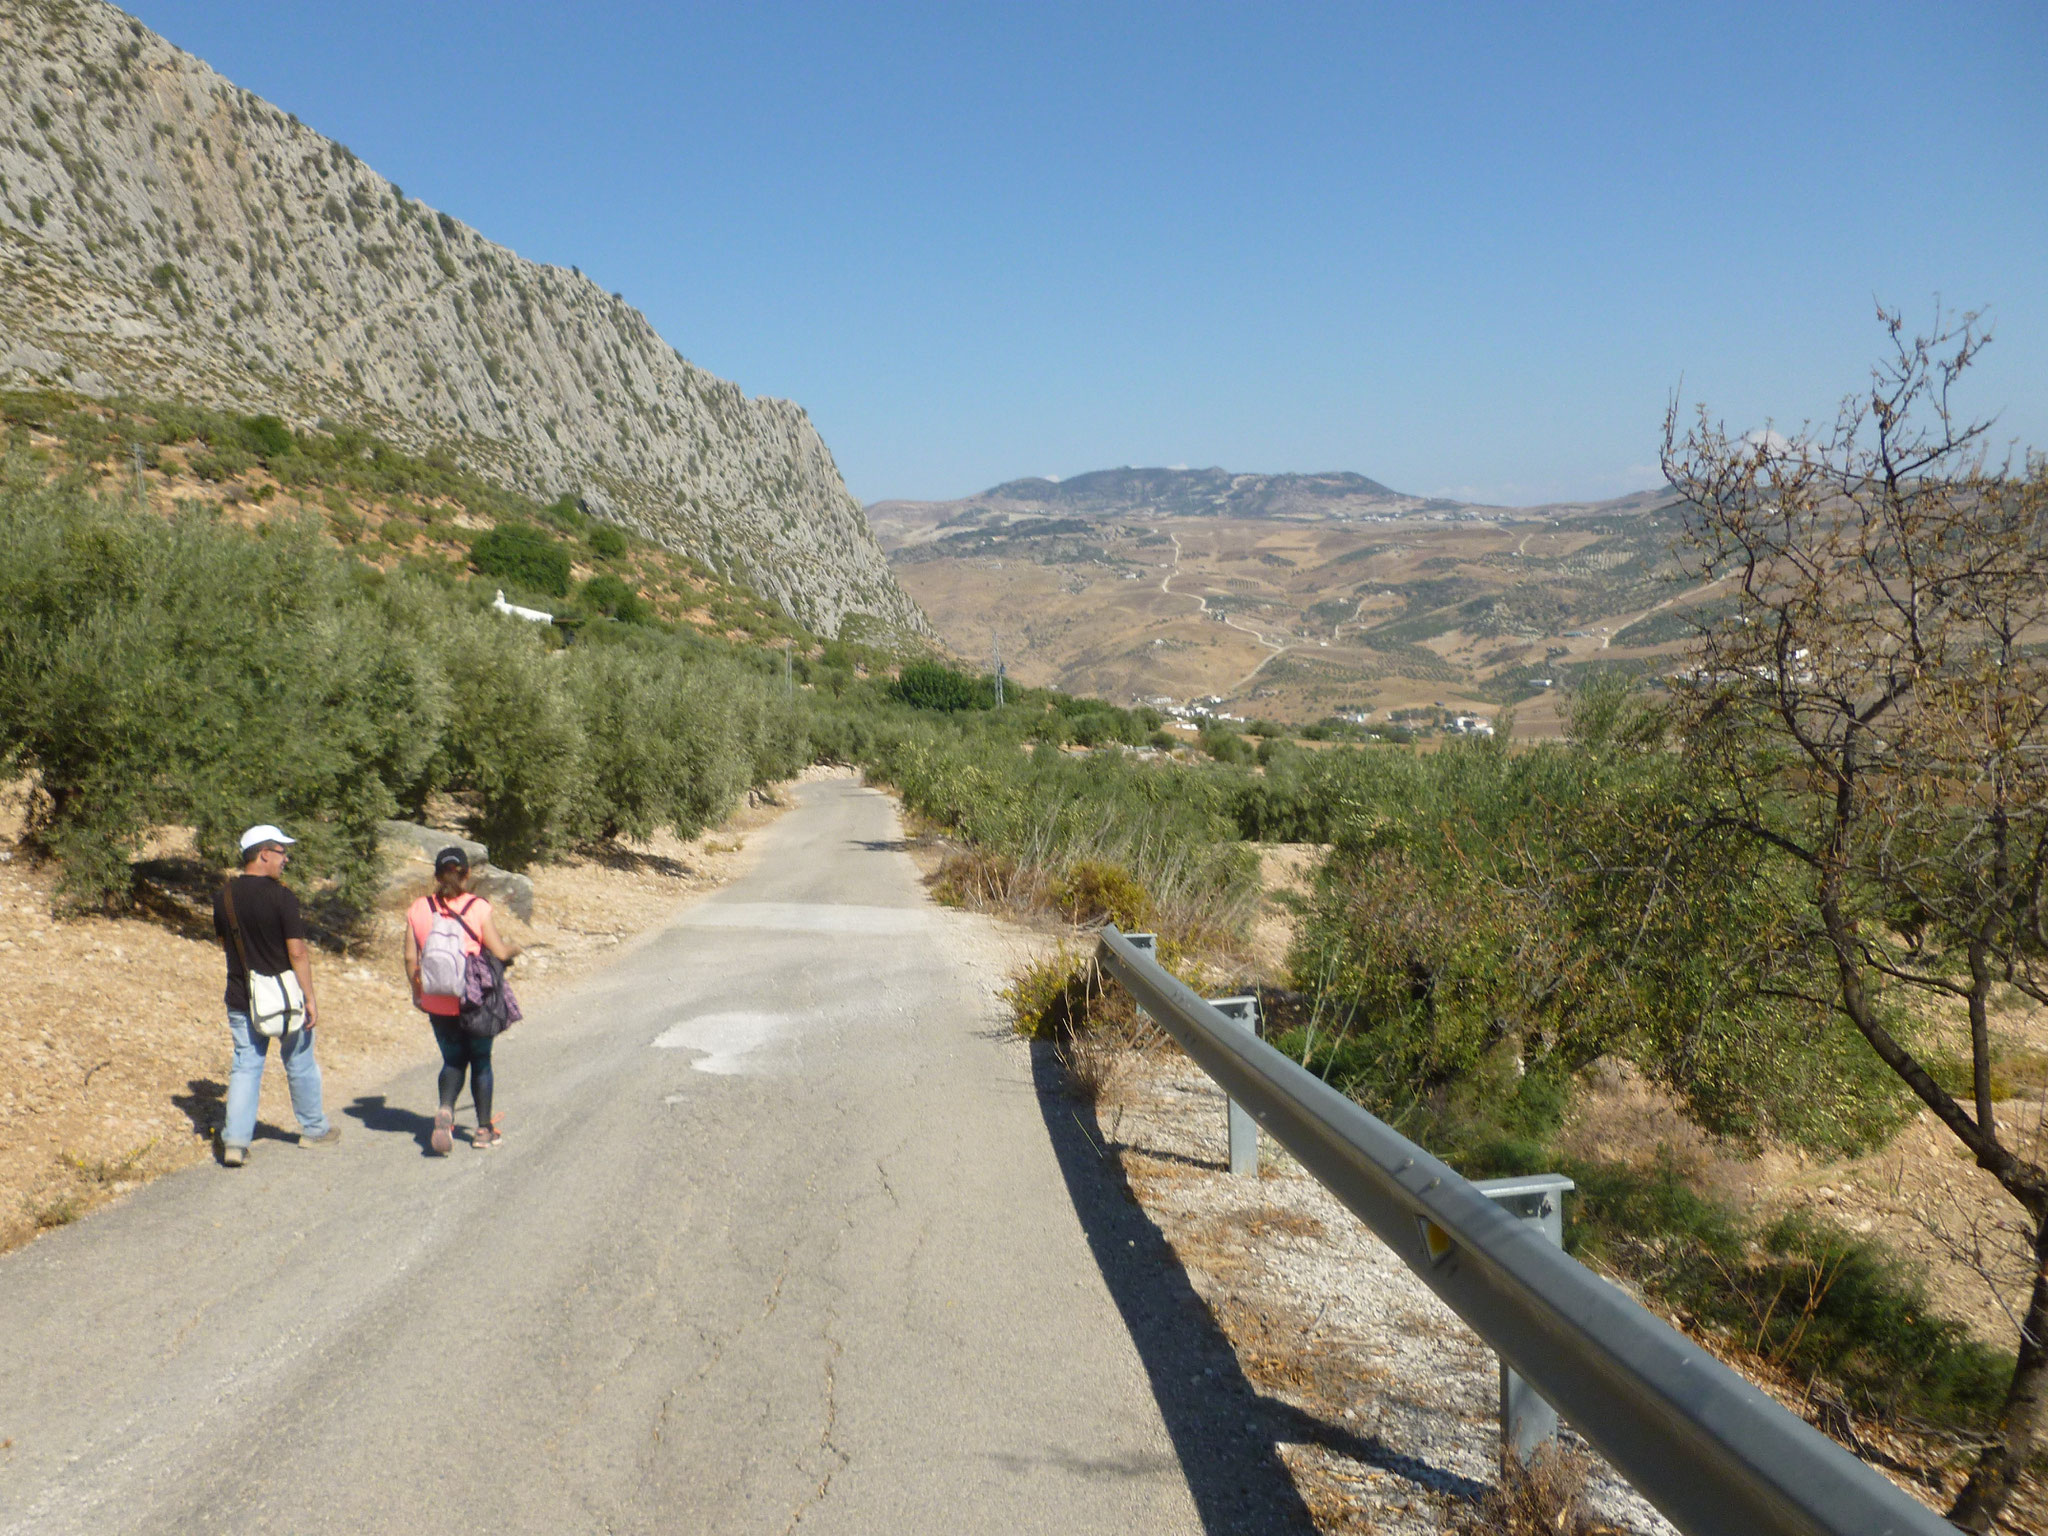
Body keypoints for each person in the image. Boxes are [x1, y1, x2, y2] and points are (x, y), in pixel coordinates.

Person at [212, 824, 338, 1165]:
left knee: (245, 1067)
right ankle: (314, 1130)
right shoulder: (282, 897)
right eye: (282, 852)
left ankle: (235, 1143)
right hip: (283, 999)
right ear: (264, 854)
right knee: (299, 1062)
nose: (286, 859)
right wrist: (310, 997)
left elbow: (224, 943)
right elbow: (297, 952)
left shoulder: (223, 896)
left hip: (241, 996)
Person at [404, 847, 521, 1153]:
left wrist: (418, 992)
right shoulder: (477, 907)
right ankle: (483, 1130)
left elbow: (409, 957)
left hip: (437, 1000)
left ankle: (445, 1108)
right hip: (474, 1001)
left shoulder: (419, 908)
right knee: (481, 1062)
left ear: (436, 876)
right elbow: (498, 951)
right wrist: (515, 948)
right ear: (467, 874)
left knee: (453, 1060)